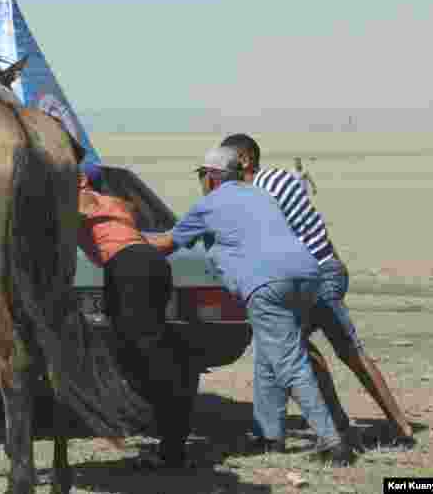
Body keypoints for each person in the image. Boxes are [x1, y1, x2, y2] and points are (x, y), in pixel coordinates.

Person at [149, 146, 354, 465]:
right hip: (308, 274)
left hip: (268, 283)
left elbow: (165, 243)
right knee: (272, 354)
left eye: (202, 175)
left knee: (289, 361)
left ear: (213, 178)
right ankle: (270, 436)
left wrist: (125, 240)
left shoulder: (208, 205)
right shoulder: (261, 196)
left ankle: (332, 442)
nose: (201, 182)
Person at [221, 134, 414, 447]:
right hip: (323, 269)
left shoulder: (260, 190)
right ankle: (380, 428)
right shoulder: (281, 179)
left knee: (339, 349)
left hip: (315, 276)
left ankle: (362, 430)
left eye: (222, 159)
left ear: (243, 159)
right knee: (316, 348)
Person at [76, 161, 196, 469]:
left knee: (146, 352)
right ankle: (168, 417)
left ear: (80, 180)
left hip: (127, 268)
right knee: (137, 346)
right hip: (150, 262)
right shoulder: (115, 203)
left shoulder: (80, 200)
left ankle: (172, 444)